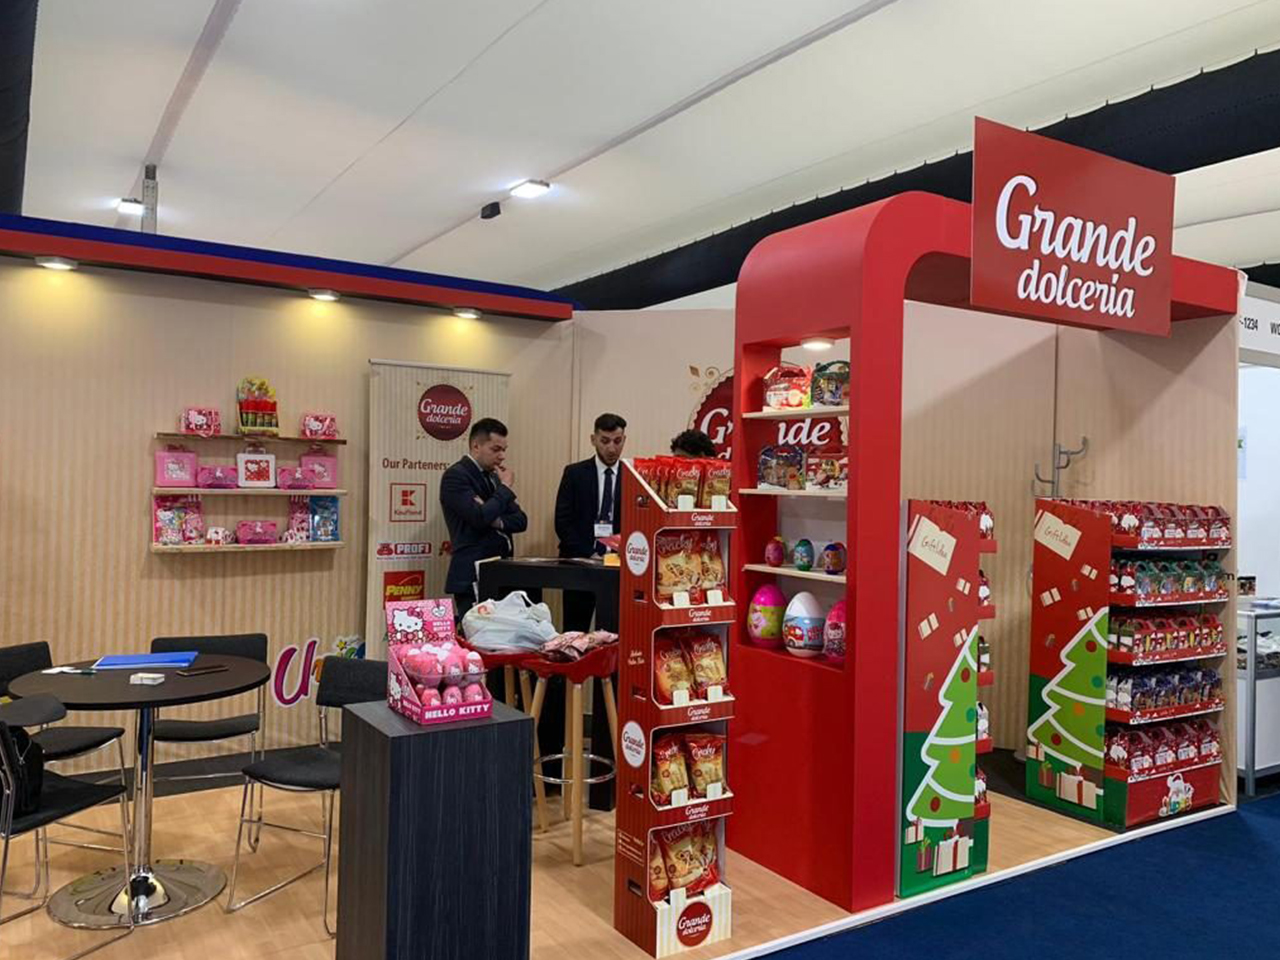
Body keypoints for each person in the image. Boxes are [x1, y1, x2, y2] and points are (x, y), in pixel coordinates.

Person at [440, 418, 527, 618]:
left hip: (500, 573)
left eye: (504, 450)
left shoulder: (494, 477)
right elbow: (478, 518)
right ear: (476, 446)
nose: (502, 456)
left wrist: (494, 518)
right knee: (477, 634)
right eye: (496, 449)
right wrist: (505, 489)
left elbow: (521, 520)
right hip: (472, 573)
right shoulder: (456, 476)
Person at [555, 412, 627, 631]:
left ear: (624, 440)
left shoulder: (633, 475)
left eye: (617, 441)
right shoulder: (575, 473)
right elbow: (563, 521)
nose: (612, 448)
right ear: (593, 439)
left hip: (618, 565)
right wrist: (589, 553)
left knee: (613, 631)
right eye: (605, 441)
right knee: (575, 629)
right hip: (580, 562)